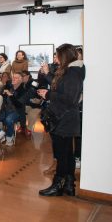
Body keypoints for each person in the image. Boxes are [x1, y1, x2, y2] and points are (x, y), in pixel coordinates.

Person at [38, 43, 85, 197]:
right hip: (65, 118)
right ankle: (69, 185)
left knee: (62, 154)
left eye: (57, 55)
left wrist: (48, 95)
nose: (55, 58)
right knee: (67, 154)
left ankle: (58, 185)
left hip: (63, 119)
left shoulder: (73, 72)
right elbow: (61, 88)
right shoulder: (72, 71)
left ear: (63, 56)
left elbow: (70, 99)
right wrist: (47, 74)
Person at [0, 73, 28, 146]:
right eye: (13, 77)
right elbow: (3, 98)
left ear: (21, 80)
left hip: (17, 111)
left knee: (9, 120)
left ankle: (9, 137)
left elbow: (19, 105)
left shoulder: (24, 91)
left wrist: (10, 95)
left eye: (16, 78)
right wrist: (3, 93)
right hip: (6, 109)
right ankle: (0, 135)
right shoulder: (9, 86)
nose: (13, 79)